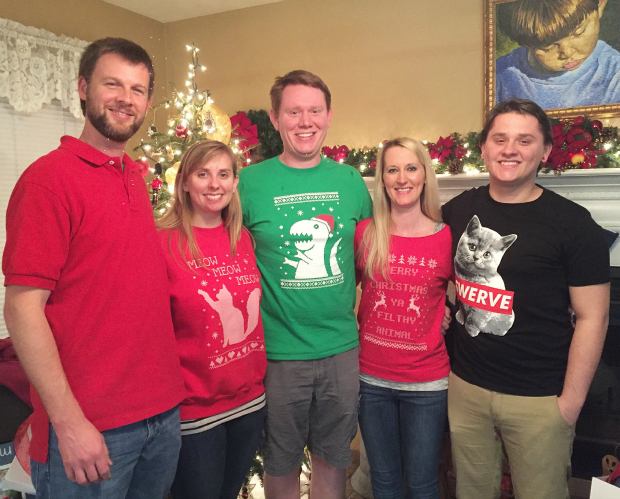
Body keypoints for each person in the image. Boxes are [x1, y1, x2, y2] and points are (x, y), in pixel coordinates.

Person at [2, 38, 185, 498]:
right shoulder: (48, 181)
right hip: (92, 428)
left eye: (137, 89)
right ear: (83, 88)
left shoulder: (134, 177)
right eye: (112, 84)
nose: (126, 98)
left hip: (162, 414)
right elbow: (22, 309)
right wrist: (67, 423)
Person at [442, 98, 610, 499]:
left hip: (540, 398)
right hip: (466, 389)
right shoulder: (458, 210)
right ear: (483, 148)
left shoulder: (573, 224)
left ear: (545, 151)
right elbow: (425, 265)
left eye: (524, 140)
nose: (510, 150)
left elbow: (593, 318)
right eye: (499, 139)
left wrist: (569, 404)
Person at [238, 70, 372, 499]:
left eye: (314, 111)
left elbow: (369, 257)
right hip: (278, 353)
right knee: (280, 463)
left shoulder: (350, 182)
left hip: (340, 349)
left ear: (328, 115)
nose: (305, 121)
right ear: (275, 118)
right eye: (294, 111)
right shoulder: (247, 183)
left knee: (333, 459)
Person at [157, 140, 267, 499]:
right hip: (195, 409)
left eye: (223, 174)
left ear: (235, 183)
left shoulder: (242, 238)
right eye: (203, 174)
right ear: (185, 182)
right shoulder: (163, 243)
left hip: (249, 401)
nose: (214, 184)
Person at [355, 137, 452, 499]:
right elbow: (340, 291)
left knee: (422, 483)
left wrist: (447, 310)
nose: (402, 178)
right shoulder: (365, 233)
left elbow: (473, 290)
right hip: (371, 379)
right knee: (383, 480)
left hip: (426, 383)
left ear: (425, 175)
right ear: (382, 179)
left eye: (411, 168)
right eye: (392, 169)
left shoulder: (445, 236)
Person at [495, 0, 620, 108]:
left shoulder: (615, 73)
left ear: (600, 5)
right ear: (526, 44)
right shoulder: (499, 77)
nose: (567, 53)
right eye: (547, 47)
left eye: (578, 32)